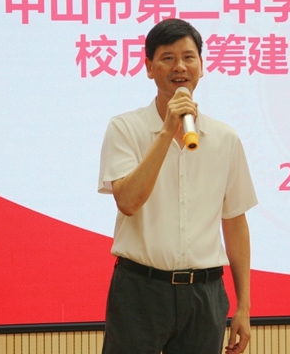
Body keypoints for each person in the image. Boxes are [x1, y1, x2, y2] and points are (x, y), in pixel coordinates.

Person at [97, 18, 258, 354]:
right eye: (167, 58)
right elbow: (128, 201)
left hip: (204, 294)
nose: (180, 67)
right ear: (149, 67)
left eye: (188, 57)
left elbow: (234, 221)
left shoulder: (225, 138)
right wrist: (167, 131)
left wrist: (243, 306)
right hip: (140, 291)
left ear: (201, 65)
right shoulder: (124, 128)